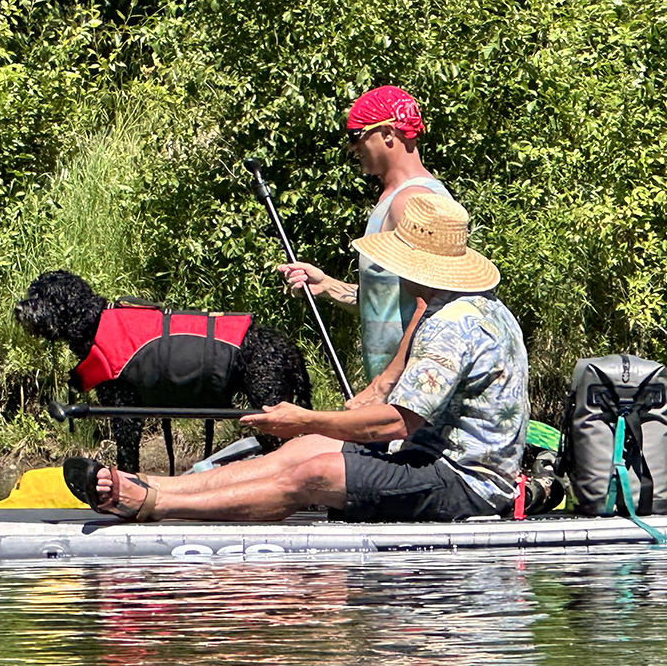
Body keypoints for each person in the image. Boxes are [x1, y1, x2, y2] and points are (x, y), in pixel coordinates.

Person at [67, 194, 528, 523]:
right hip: (427, 457)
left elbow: (393, 425)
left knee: (314, 469)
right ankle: (148, 484)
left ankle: (154, 506)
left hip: (467, 483)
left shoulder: (454, 323)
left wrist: (306, 418)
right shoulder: (473, 304)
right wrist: (311, 428)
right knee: (303, 451)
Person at [278, 85, 454, 398]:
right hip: (397, 391)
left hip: (413, 394)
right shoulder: (393, 199)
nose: (353, 147)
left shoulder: (414, 202)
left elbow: (433, 305)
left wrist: (387, 382)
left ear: (388, 134)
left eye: (357, 136)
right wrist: (328, 286)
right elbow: (391, 300)